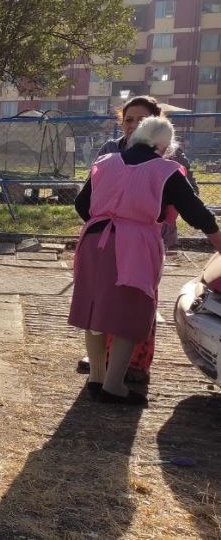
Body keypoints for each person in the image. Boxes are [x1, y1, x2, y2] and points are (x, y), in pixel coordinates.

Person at [70, 116, 221, 405]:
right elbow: (199, 215)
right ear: (164, 146)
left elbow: (81, 204)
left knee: (95, 308)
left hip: (94, 239)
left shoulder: (107, 162)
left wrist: (104, 221)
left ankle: (97, 378)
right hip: (134, 244)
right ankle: (114, 386)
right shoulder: (165, 171)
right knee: (130, 309)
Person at [78, 96, 164, 384]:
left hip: (143, 245)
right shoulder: (110, 151)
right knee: (102, 302)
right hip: (109, 240)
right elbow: (88, 198)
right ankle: (102, 366)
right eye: (128, 120)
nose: (133, 126)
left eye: (141, 120)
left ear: (156, 122)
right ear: (121, 122)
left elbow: (181, 199)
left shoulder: (166, 155)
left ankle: (133, 366)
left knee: (136, 304)